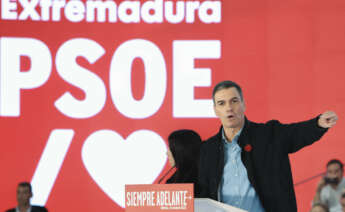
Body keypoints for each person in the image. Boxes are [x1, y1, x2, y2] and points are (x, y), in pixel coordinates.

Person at [198, 80, 338, 212]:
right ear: (215, 110)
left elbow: (295, 133)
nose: (229, 108)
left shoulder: (268, 135)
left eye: (234, 101)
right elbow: (203, 192)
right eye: (221, 103)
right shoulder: (208, 149)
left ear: (243, 104)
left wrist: (318, 124)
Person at [165, 129, 202, 196]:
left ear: (180, 150)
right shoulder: (174, 178)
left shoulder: (202, 179)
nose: (167, 153)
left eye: (170, 148)